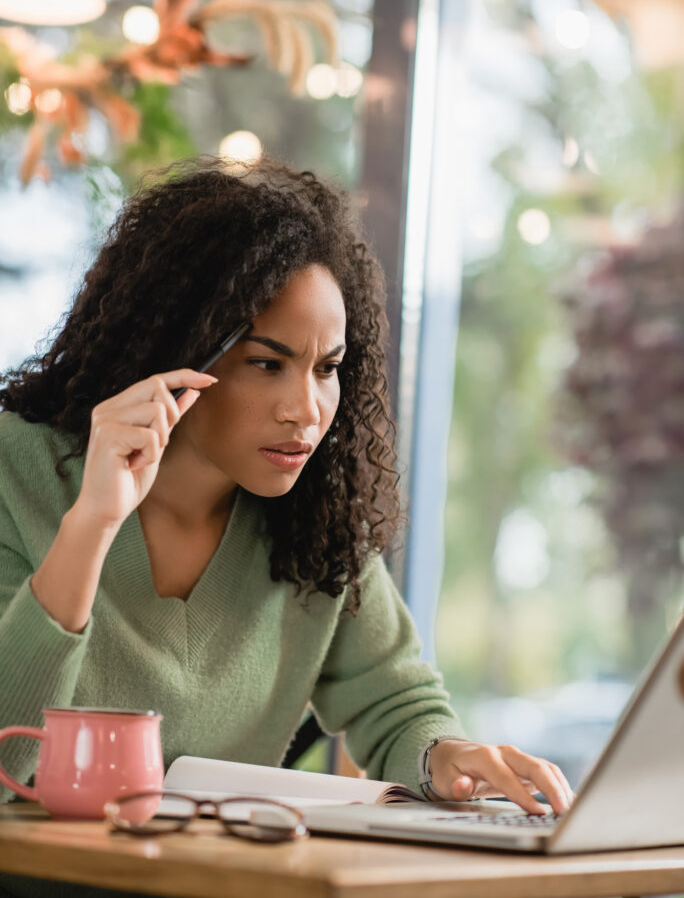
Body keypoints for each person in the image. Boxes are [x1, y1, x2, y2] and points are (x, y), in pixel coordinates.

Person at [0, 158, 571, 890]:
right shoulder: (19, 469)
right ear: (178, 353)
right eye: (267, 364)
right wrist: (93, 522)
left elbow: (395, 703)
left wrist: (443, 757)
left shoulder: (315, 519)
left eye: (327, 368)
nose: (306, 410)